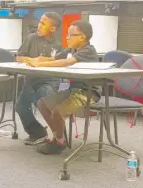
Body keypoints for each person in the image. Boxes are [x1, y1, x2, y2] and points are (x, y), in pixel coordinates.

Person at [29, 20, 100, 155]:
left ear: (82, 37)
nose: (67, 37)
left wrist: (39, 65)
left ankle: (58, 142)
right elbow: (53, 59)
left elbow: (66, 62)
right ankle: (58, 139)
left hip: (87, 92)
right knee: (42, 103)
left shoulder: (88, 50)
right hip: (72, 90)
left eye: (71, 35)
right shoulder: (72, 49)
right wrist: (36, 60)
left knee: (57, 112)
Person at [15, 12, 63, 145]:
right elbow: (19, 57)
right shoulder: (31, 38)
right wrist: (30, 59)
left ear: (52, 28)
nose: (39, 25)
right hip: (31, 80)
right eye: (39, 22)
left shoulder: (58, 45)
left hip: (49, 81)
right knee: (20, 106)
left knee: (49, 106)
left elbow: (60, 63)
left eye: (43, 23)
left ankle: (58, 136)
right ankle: (37, 133)